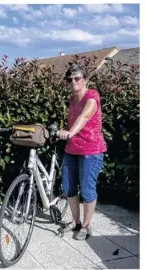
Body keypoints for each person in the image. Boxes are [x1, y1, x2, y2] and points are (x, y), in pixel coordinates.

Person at [57, 64, 107, 240]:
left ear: (85, 80)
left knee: (87, 190)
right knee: (69, 188)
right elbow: (73, 122)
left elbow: (84, 117)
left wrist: (70, 132)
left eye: (77, 78)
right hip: (72, 148)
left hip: (91, 150)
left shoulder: (91, 96)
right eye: (70, 79)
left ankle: (86, 226)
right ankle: (76, 222)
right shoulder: (71, 99)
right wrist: (65, 132)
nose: (73, 81)